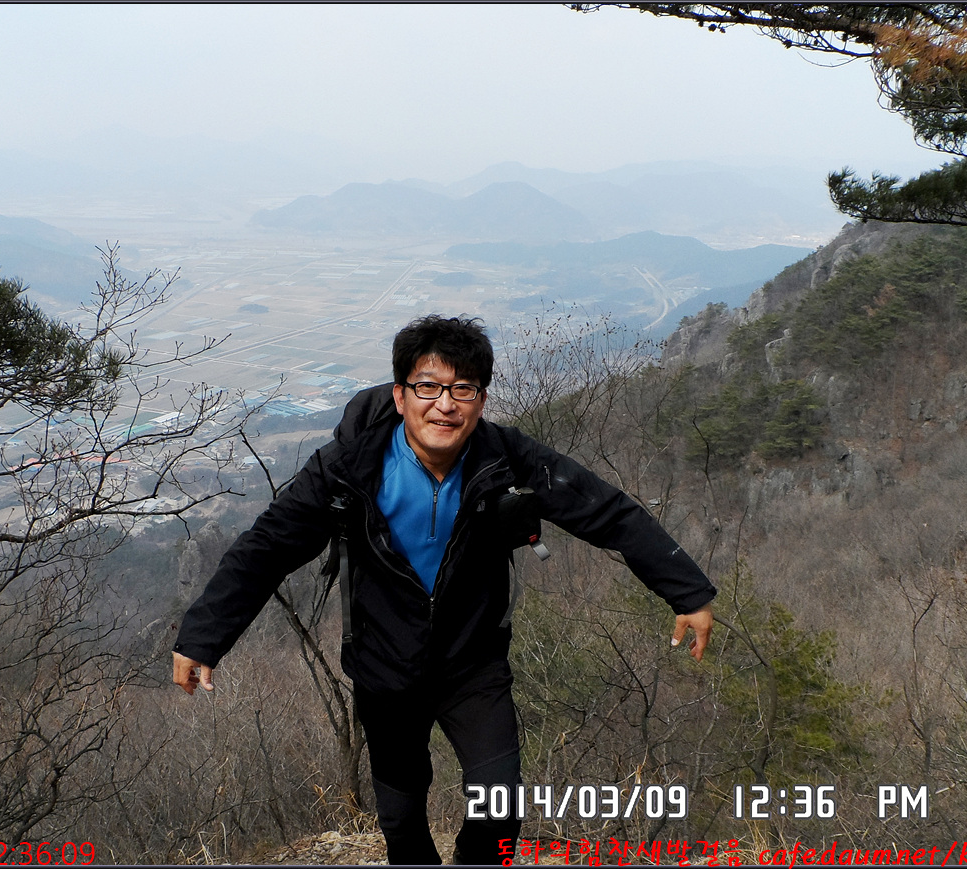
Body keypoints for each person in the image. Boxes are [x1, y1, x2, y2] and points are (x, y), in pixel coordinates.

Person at [173, 314, 716, 865]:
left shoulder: (504, 459)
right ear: (400, 395)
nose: (445, 405)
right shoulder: (349, 468)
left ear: (481, 400)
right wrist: (202, 638)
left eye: (463, 390)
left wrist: (687, 593)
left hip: (472, 664)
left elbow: (605, 510)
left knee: (499, 806)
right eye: (428, 387)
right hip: (384, 667)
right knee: (403, 821)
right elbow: (267, 548)